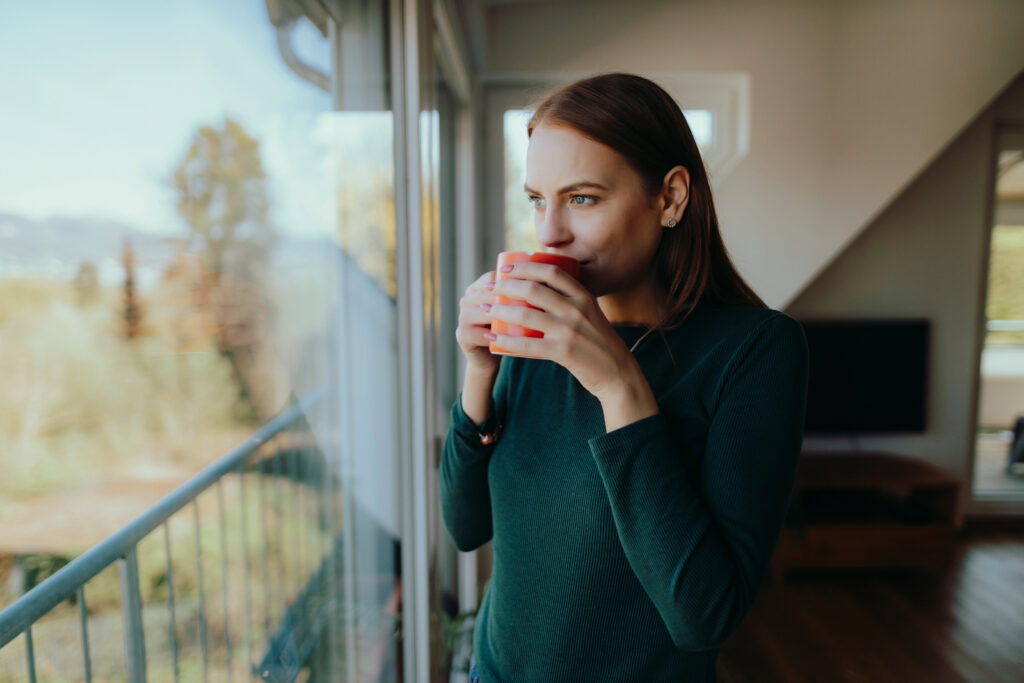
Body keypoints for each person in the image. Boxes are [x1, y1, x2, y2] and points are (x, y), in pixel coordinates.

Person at [440, 73, 809, 683]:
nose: (549, 231)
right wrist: (480, 372)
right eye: (537, 199)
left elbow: (703, 618)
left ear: (669, 197)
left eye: (581, 198)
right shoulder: (533, 338)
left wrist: (620, 388)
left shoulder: (755, 351)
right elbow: (465, 526)